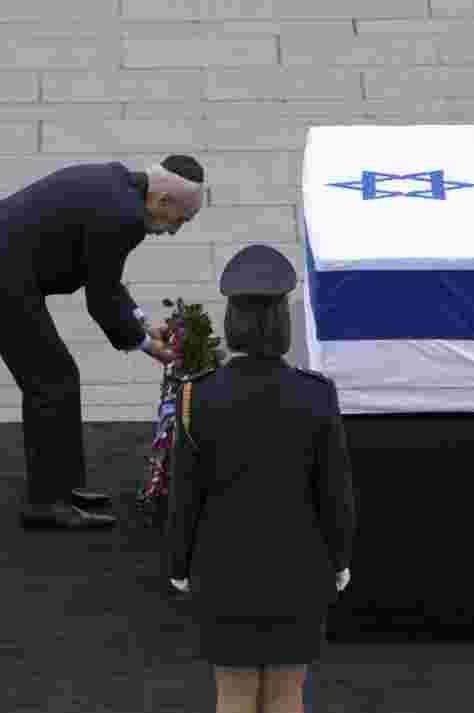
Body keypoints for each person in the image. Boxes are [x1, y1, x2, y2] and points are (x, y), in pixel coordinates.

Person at [0, 155, 204, 529]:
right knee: (51, 380)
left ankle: (64, 491)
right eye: (181, 220)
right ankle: (47, 504)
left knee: (57, 377)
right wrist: (145, 345)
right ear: (163, 202)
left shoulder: (117, 184)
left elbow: (105, 280)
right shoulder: (125, 217)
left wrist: (142, 323)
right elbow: (101, 297)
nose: (176, 231)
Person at [165, 244, 356, 713]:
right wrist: (340, 557)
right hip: (300, 569)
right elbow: (334, 491)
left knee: (232, 693)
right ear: (283, 326)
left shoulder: (197, 397)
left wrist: (179, 564)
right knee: (287, 693)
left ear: (232, 324)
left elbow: (185, 496)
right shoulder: (317, 395)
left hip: (223, 569)